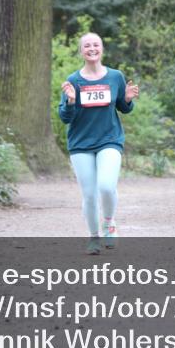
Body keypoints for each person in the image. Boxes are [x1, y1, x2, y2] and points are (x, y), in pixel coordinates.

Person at [59, 32, 139, 254]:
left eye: (96, 44)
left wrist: (128, 99)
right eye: (87, 45)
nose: (92, 48)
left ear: (102, 49)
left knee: (106, 185)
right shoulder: (73, 80)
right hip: (81, 143)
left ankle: (109, 222)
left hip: (109, 140)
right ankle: (93, 237)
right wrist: (71, 102)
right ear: (81, 51)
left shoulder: (115, 77)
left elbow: (123, 107)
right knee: (90, 194)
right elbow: (65, 117)